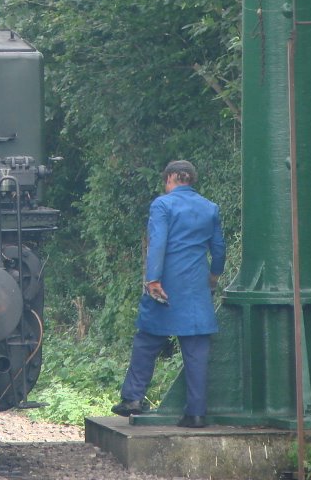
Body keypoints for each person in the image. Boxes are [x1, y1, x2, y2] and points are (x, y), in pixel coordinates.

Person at [111, 160, 226, 428]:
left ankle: (133, 399)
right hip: (197, 286)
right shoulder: (210, 208)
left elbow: (158, 243)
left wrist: (153, 279)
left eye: (166, 180)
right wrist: (213, 276)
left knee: (147, 340)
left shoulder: (163, 205)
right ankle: (196, 413)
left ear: (172, 177)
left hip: (167, 285)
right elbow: (219, 248)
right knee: (196, 349)